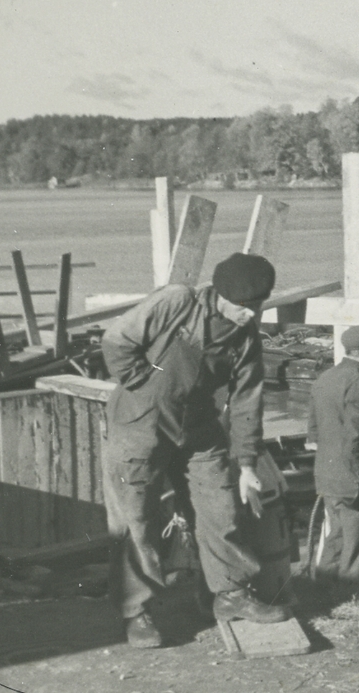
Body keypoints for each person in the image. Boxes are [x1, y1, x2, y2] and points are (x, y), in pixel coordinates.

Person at [100, 252, 291, 649]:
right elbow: (117, 339)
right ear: (220, 296)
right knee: (136, 520)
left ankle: (229, 594)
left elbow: (246, 402)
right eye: (243, 307)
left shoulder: (246, 337)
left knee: (219, 506)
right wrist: (143, 381)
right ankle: (137, 611)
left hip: (198, 429)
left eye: (257, 307)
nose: (250, 315)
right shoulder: (177, 301)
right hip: (139, 427)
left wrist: (248, 463)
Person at [307, 324, 359, 600]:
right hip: (354, 480)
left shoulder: (325, 378)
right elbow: (358, 439)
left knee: (335, 538)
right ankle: (358, 598)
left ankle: (321, 591)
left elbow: (313, 434)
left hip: (326, 476)